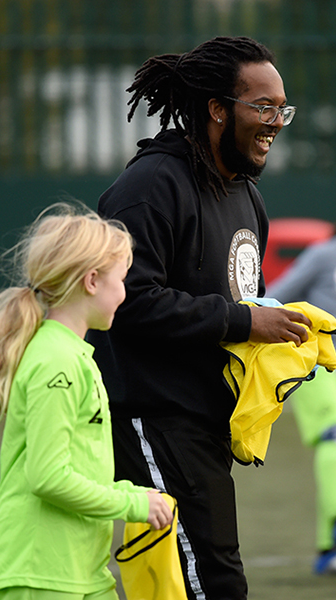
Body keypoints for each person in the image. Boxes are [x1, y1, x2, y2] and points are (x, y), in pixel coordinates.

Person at [88, 36, 311, 599]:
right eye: (262, 107)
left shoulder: (245, 195)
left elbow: (243, 296)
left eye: (281, 108)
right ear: (217, 109)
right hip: (152, 416)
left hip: (203, 423)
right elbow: (128, 302)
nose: (275, 122)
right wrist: (242, 322)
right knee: (209, 582)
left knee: (203, 579)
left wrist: (274, 340)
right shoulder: (150, 187)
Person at [0, 203, 173, 600]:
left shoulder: (74, 354)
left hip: (82, 572)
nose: (125, 293)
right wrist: (131, 503)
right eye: (122, 280)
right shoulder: (55, 360)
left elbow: (77, 466)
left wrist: (134, 493)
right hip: (42, 574)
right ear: (92, 281)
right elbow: (48, 477)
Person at [267, 232, 336, 574]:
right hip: (320, 365)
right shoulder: (323, 255)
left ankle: (328, 545)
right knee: (333, 438)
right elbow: (275, 297)